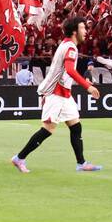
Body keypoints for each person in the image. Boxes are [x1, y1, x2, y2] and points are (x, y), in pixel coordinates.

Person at [11, 16, 102, 173]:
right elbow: (70, 70)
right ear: (74, 31)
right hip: (56, 93)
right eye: (83, 28)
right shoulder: (71, 48)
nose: (86, 31)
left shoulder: (67, 45)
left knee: (76, 126)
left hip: (64, 94)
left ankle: (81, 163)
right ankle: (19, 158)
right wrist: (88, 86)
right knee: (48, 129)